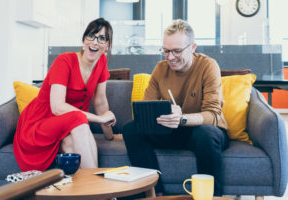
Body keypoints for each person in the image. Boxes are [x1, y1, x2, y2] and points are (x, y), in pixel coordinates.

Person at [122, 19, 229, 196]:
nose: (170, 57)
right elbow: (146, 108)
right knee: (132, 129)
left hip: (203, 132)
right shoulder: (160, 68)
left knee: (206, 134)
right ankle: (154, 193)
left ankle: (210, 197)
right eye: (166, 51)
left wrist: (182, 118)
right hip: (172, 130)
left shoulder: (208, 66)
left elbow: (213, 115)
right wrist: (161, 116)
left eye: (177, 51)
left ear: (193, 47)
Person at [14, 18, 120, 172]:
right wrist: (99, 119)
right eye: (91, 35)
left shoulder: (101, 61)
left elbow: (100, 101)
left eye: (102, 38)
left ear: (108, 45)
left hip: (71, 125)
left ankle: (92, 191)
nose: (95, 42)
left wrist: (110, 136)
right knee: (79, 119)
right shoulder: (64, 61)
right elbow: (57, 107)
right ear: (84, 40)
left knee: (70, 144)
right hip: (40, 124)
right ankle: (100, 190)